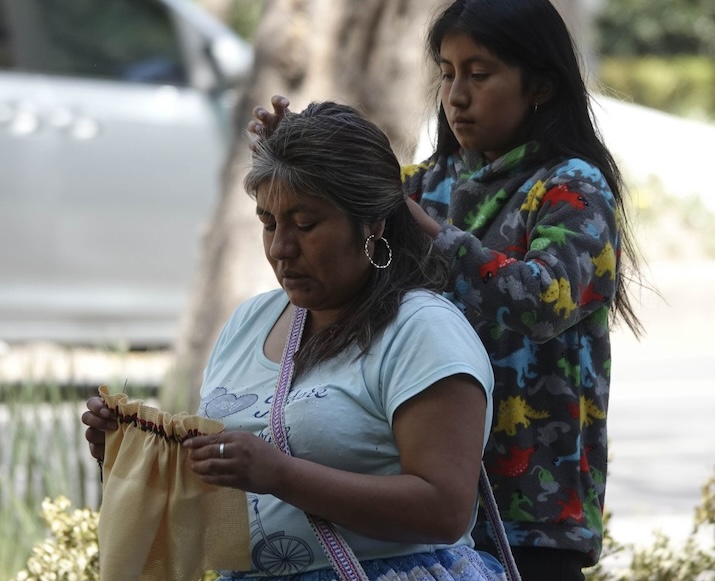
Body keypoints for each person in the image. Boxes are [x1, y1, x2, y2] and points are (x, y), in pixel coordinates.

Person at [250, 1, 644, 578]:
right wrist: (302, 167)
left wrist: (423, 226)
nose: (456, 95)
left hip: (530, 514)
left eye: (480, 75)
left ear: (538, 85)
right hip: (415, 503)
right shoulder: (426, 184)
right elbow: (344, 255)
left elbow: (538, 301)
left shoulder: (572, 189)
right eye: (447, 72)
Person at [84, 101, 510, 580]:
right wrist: (139, 457)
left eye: (305, 225)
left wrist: (282, 475)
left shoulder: (423, 331)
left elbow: (445, 508)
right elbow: (235, 511)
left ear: (372, 223)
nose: (281, 248)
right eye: (268, 223)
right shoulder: (251, 322)